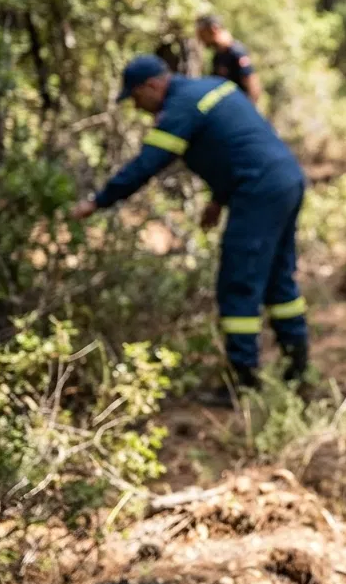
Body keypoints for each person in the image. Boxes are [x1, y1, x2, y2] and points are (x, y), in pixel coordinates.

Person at [72, 54, 308, 399]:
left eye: (137, 98)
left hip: (257, 191)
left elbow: (146, 165)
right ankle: (297, 371)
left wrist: (99, 201)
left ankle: (243, 384)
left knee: (238, 284)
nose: (139, 108)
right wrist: (217, 199)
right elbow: (237, 145)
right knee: (277, 278)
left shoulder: (180, 109)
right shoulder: (212, 86)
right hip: (286, 179)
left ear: (152, 85)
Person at [195, 14, 262, 103]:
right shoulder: (218, 56)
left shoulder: (236, 52)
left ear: (213, 29)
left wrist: (249, 111)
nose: (201, 39)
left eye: (203, 34)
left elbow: (252, 84)